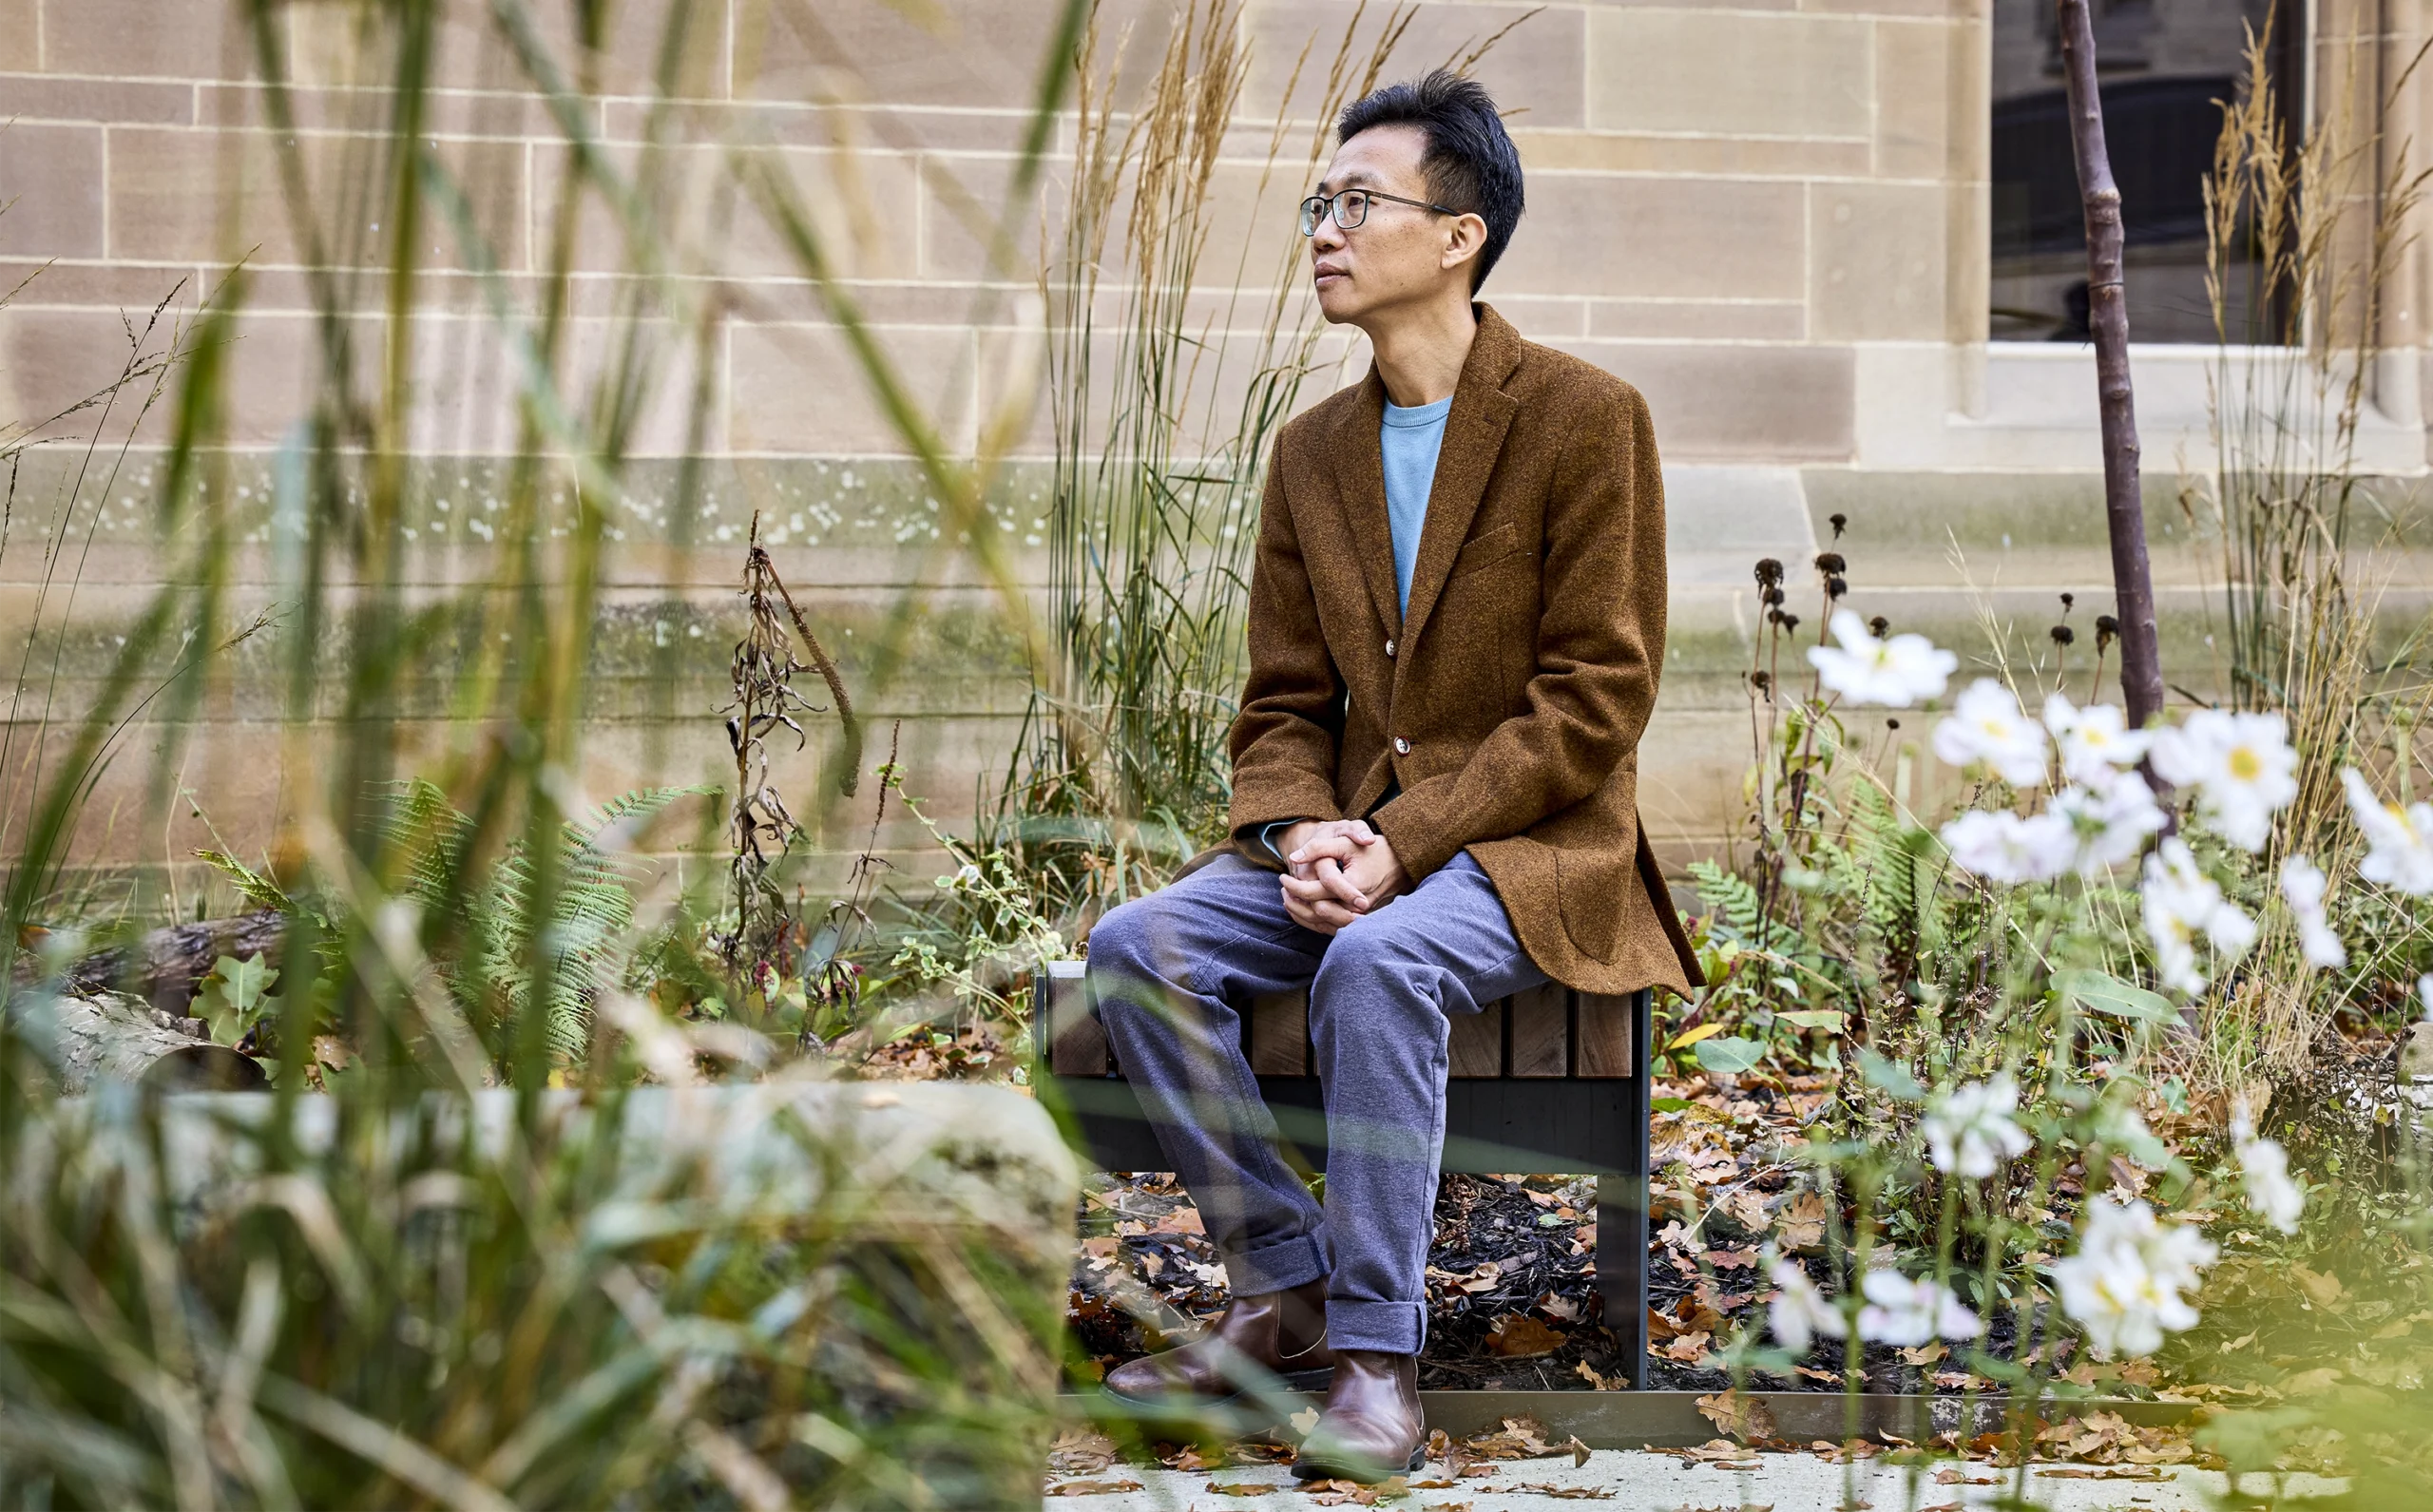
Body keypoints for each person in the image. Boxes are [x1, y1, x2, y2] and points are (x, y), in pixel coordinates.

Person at [1084, 68, 1701, 1483]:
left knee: (1376, 967)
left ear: (1460, 232)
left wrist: (1402, 842)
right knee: (1137, 945)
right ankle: (1276, 1286)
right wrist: (1304, 826)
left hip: (1533, 849)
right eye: (1321, 202)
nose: (1324, 229)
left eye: (1358, 203)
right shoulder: (1312, 453)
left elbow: (1597, 695)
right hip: (1357, 836)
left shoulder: (1583, 417)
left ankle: (1374, 1357)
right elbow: (1285, 699)